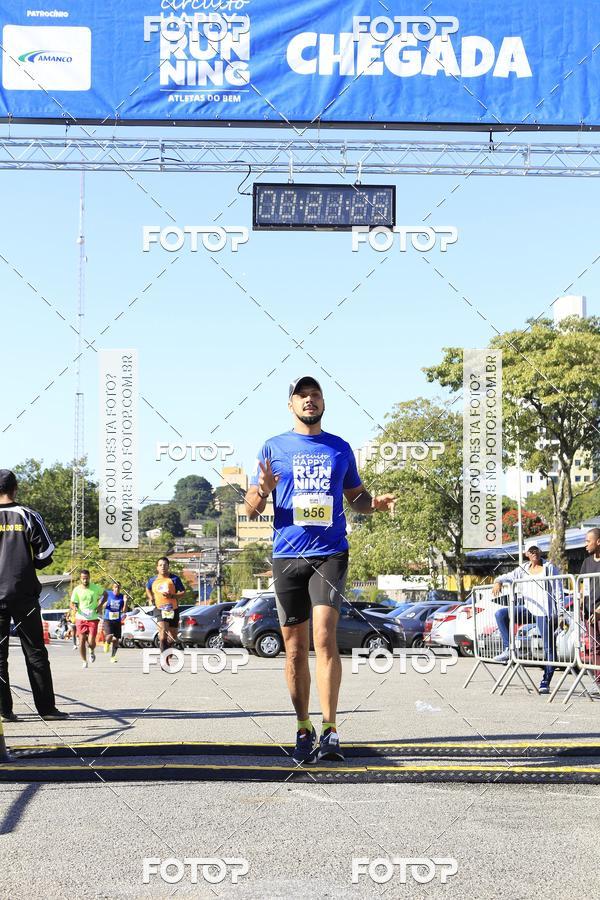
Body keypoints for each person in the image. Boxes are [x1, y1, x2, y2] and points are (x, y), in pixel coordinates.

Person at [244, 376, 394, 764]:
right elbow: (251, 509)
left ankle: (330, 729)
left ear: (323, 402)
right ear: (291, 405)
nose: (310, 401)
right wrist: (262, 488)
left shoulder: (339, 447)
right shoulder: (273, 447)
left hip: (330, 552)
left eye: (315, 395)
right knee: (294, 650)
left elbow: (355, 498)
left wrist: (374, 504)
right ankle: (303, 727)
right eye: (302, 396)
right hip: (287, 556)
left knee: (324, 639)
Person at [0, 468, 68, 722]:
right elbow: (44, 554)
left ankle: (4, 710)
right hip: (23, 594)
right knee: (35, 652)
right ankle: (47, 710)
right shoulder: (27, 515)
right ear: (15, 489)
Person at [492, 541, 563, 694]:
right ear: (526, 554)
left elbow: (559, 591)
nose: (534, 553)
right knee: (501, 614)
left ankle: (546, 680)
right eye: (531, 551)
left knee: (548, 647)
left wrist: (560, 613)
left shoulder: (549, 568)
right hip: (528, 609)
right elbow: (507, 576)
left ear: (540, 550)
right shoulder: (523, 569)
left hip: (545, 612)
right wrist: (498, 581)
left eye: (536, 549)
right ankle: (508, 649)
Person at [145, 558, 185, 665]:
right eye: (160, 565)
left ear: (168, 566)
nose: (163, 567)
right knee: (162, 635)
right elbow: (147, 588)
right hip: (159, 609)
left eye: (165, 565)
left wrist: (172, 595)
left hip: (173, 609)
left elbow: (183, 592)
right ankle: (164, 659)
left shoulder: (174, 579)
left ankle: (169, 650)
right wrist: (150, 598)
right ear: (157, 567)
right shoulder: (152, 580)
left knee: (172, 637)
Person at [70, 570, 107, 669]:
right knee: (81, 640)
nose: (85, 580)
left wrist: (99, 606)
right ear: (80, 578)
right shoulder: (77, 589)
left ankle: (91, 651)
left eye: (86, 578)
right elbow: (72, 603)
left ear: (89, 577)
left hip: (93, 618)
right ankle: (84, 661)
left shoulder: (95, 588)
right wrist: (75, 608)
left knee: (91, 642)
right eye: (83, 578)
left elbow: (105, 594)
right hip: (80, 618)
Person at [580, 527, 600, 688]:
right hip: (589, 612)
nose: (585, 544)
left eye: (588, 541)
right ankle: (598, 681)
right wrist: (581, 600)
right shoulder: (587, 562)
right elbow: (584, 585)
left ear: (598, 541)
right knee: (594, 648)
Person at [102, 581, 127, 663]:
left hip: (117, 620)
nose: (117, 589)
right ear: (112, 588)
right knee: (110, 635)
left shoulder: (122, 597)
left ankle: (113, 656)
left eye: (118, 587)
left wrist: (126, 601)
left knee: (116, 639)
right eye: (115, 587)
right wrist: (104, 604)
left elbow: (124, 611)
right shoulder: (108, 594)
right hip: (108, 619)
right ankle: (107, 642)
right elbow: (101, 604)